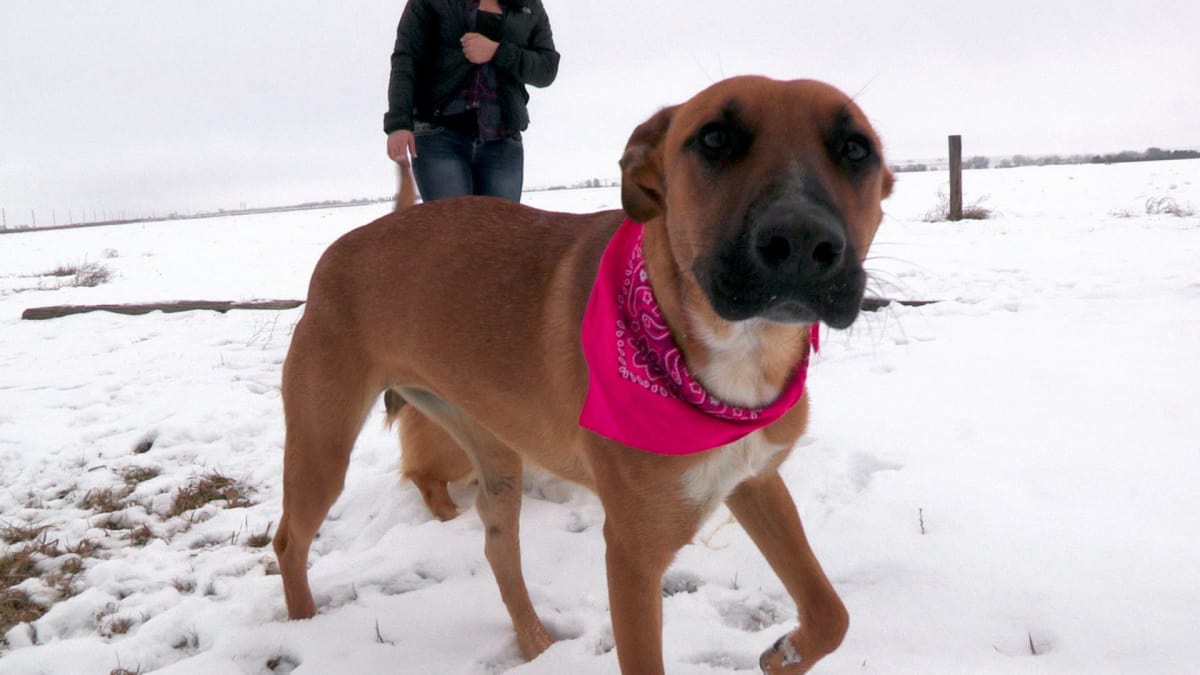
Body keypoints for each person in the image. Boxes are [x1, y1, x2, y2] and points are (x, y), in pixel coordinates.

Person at [384, 0, 559, 203]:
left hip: (502, 140)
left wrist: (498, 51)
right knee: (452, 230)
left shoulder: (529, 5)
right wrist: (398, 124)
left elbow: (547, 68)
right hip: (439, 136)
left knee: (499, 233)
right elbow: (407, 58)